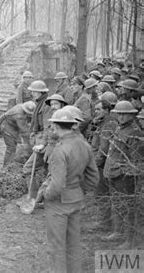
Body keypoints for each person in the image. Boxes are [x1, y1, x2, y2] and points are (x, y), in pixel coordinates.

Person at [37, 109, 99, 273]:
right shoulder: (84, 145)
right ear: (73, 125)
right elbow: (93, 178)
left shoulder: (60, 150)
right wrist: (79, 190)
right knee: (73, 243)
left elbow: (57, 186)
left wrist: (45, 194)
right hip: (76, 199)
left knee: (56, 246)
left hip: (58, 203)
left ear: (56, 126)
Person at [102, 101, 143, 248]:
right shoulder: (120, 129)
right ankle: (118, 232)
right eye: (119, 114)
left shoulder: (134, 132)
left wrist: (125, 174)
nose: (121, 117)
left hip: (124, 176)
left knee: (127, 208)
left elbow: (134, 159)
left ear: (132, 115)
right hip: (112, 172)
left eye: (124, 114)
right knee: (116, 205)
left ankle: (129, 239)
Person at [90, 100, 119, 228]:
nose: (96, 112)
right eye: (95, 109)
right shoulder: (103, 122)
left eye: (99, 109)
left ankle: (104, 222)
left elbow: (104, 149)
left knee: (101, 193)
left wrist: (94, 165)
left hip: (101, 164)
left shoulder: (108, 124)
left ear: (107, 110)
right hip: (100, 162)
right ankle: (104, 221)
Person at [0, 101, 36, 167]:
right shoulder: (19, 115)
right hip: (6, 125)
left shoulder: (21, 106)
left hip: (13, 126)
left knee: (15, 144)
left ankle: (11, 162)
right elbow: (24, 131)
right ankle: (6, 167)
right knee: (11, 148)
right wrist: (29, 144)